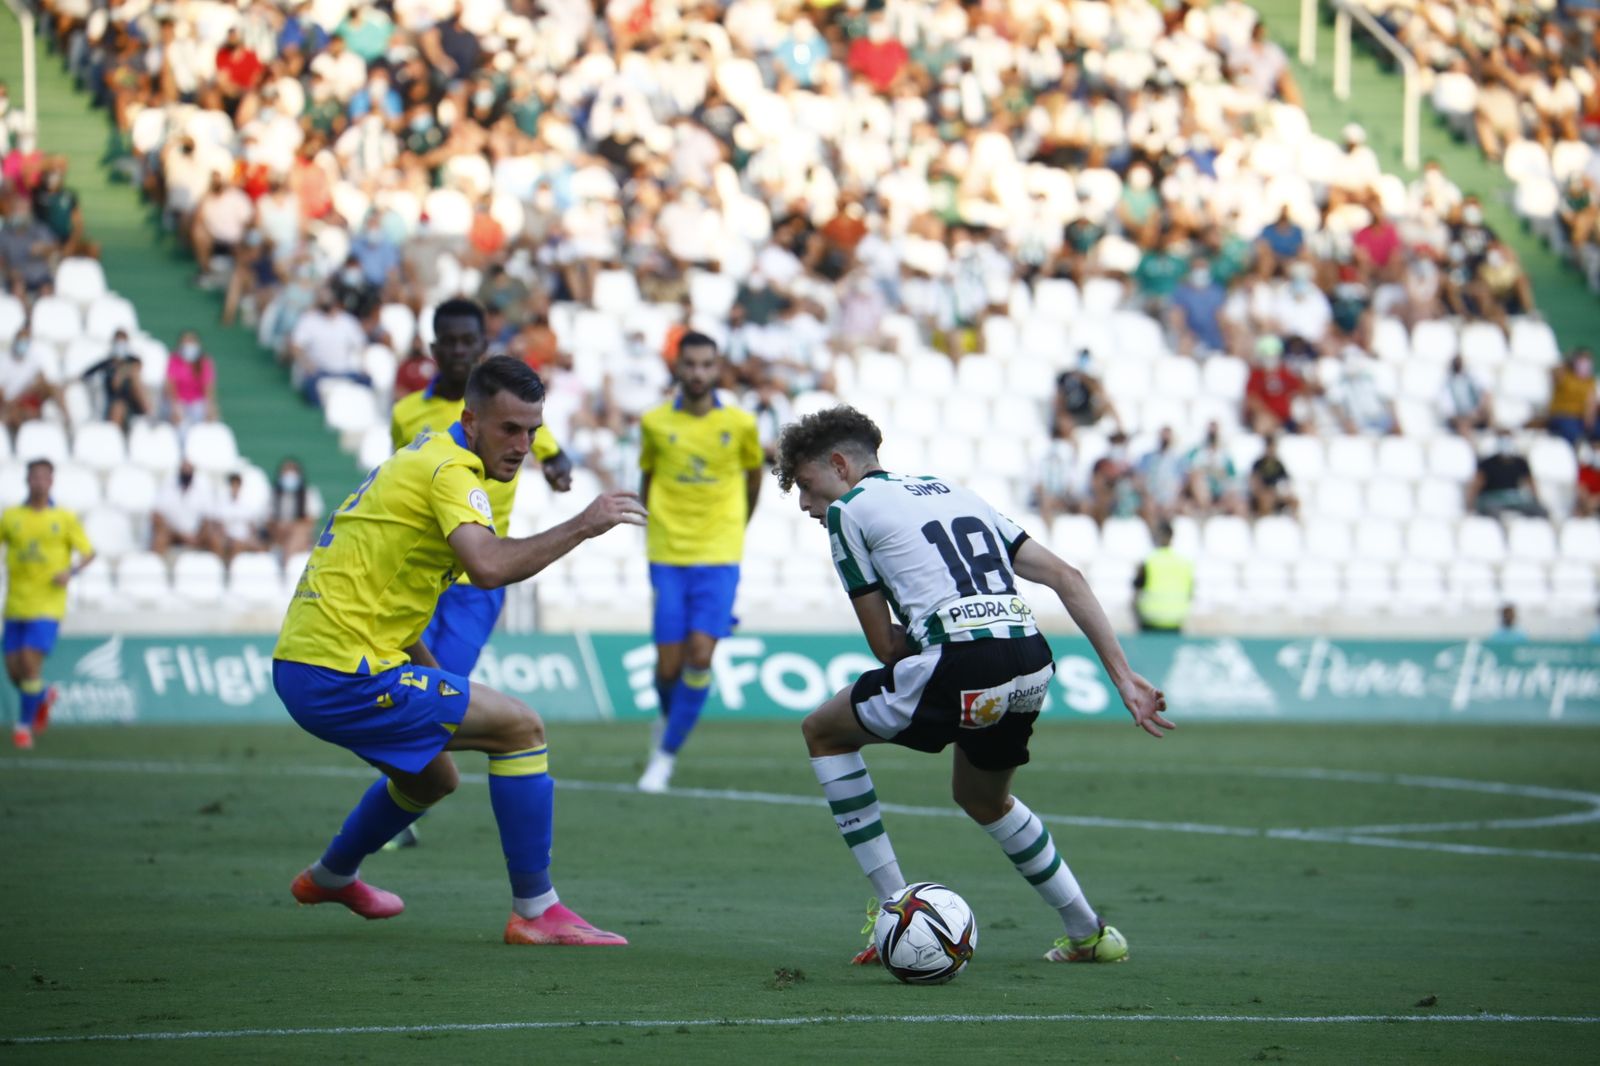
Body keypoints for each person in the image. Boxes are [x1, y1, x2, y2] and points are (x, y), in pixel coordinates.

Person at [773, 406, 1170, 968]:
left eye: (809, 487)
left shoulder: (851, 512)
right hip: (1031, 661)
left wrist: (936, 635)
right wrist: (1124, 677)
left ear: (840, 464)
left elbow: (884, 648)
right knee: (983, 798)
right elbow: (1067, 577)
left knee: (824, 731)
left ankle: (896, 908)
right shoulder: (953, 491)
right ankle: (1089, 933)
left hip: (960, 662)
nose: (808, 506)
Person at [274, 356, 647, 945]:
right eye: (508, 429)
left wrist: (431, 673)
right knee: (521, 728)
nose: (523, 445)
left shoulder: (423, 455)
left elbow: (387, 592)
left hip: (313, 661)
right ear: (471, 421)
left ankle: (332, 876)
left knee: (432, 781)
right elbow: (490, 567)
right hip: (342, 671)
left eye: (532, 430)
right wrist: (586, 522)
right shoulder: (451, 471)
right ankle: (536, 911)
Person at [390, 299, 574, 677]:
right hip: (417, 572)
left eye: (467, 341)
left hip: (477, 578)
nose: (459, 350)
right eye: (450, 341)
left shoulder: (505, 411)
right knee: (407, 686)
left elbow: (554, 454)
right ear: (434, 348)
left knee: (445, 684)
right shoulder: (405, 414)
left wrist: (558, 470)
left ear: (482, 346)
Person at [636, 333, 764, 794]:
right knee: (667, 666)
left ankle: (664, 758)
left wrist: (735, 528)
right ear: (677, 367)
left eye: (706, 365)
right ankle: (668, 724)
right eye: (690, 364)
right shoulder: (653, 423)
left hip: (719, 554)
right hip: (668, 553)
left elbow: (754, 479)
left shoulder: (741, 424)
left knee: (700, 655)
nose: (697, 373)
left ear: (718, 368)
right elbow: (647, 478)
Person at [2, 460, 94, 749]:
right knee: (14, 671)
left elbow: (88, 553)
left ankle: (23, 728)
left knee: (30, 664)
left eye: (45, 477)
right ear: (27, 480)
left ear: (51, 482)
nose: (40, 482)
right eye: (35, 477)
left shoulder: (64, 518)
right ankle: (42, 697)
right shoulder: (11, 517)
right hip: (16, 603)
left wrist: (72, 572)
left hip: (48, 604)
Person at [82, 329, 151, 430]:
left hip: (133, 402)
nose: (120, 345)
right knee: (118, 406)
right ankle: (114, 439)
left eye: (123, 342)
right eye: (118, 342)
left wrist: (121, 373)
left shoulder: (133, 360)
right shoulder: (107, 363)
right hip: (113, 404)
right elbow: (86, 374)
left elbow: (137, 366)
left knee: (134, 376)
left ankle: (148, 412)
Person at [1133, 521, 1194, 634]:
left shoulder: (1148, 561)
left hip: (1150, 618)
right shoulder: (1185, 562)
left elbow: (1136, 590)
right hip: (1176, 618)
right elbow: (1191, 592)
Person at [1467, 434, 1546, 518]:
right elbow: (1477, 484)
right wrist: (1470, 504)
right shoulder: (1487, 463)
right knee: (1493, 513)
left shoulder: (1520, 462)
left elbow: (1530, 482)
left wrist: (1537, 500)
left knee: (1539, 511)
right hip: (1492, 498)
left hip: (1513, 499)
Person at [152, 460, 221, 554]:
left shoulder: (203, 489)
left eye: (189, 470)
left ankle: (219, 567)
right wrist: (180, 535)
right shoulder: (168, 487)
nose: (186, 473)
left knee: (215, 539)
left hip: (197, 534)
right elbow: (157, 515)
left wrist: (197, 537)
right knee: (160, 538)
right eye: (184, 470)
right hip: (173, 534)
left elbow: (208, 518)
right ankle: (155, 566)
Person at [165, 330, 220, 434]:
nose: (188, 345)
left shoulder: (204, 361)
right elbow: (170, 384)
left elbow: (208, 385)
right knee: (178, 423)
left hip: (197, 401)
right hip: (179, 400)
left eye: (191, 342)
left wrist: (210, 406)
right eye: (186, 342)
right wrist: (174, 405)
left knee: (205, 418)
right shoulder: (174, 359)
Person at [267, 458, 324, 554]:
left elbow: (312, 520)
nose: (289, 475)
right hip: (277, 535)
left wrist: (292, 526)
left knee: (298, 533)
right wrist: (281, 526)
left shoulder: (309, 494)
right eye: (286, 471)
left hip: (300, 535)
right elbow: (268, 519)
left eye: (292, 471)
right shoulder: (272, 494)